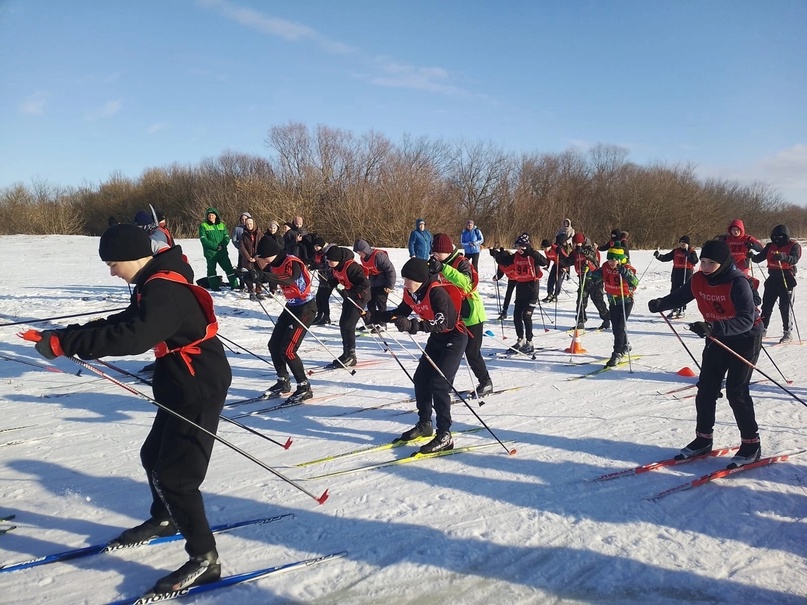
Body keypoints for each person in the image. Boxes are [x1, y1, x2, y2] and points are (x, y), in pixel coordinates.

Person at [27, 223, 231, 594]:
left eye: (113, 263)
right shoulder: (153, 282)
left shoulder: (164, 289)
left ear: (135, 257)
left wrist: (64, 344)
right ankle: (166, 518)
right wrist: (64, 336)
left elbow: (134, 337)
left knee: (177, 478)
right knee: (152, 455)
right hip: (178, 382)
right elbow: (125, 322)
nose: (111, 270)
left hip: (198, 387)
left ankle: (205, 559)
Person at [648, 239, 764, 468]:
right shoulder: (699, 279)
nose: (705, 267)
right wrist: (662, 303)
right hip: (717, 337)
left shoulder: (737, 282)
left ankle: (752, 444)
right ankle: (703, 439)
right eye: (702, 261)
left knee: (736, 392)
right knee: (706, 389)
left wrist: (714, 327)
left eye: (711, 263)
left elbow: (745, 320)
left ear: (723, 263)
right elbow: (681, 296)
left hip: (745, 338)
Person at [375, 258, 469, 454]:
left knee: (439, 384)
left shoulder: (436, 292)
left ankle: (445, 434)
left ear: (418, 279)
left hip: (454, 337)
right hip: (437, 338)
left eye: (408, 279)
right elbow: (400, 312)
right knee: (421, 379)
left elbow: (443, 322)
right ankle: (425, 423)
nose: (404, 283)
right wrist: (374, 316)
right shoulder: (412, 292)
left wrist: (413, 326)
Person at [245, 235, 317, 403]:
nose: (262, 260)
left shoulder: (292, 262)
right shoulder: (274, 264)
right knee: (274, 345)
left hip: (306, 308)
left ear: (271, 253)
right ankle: (283, 381)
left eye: (263, 256)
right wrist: (250, 276)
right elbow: (269, 278)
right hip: (291, 306)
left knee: (288, 350)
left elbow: (289, 279)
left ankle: (304, 386)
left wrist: (262, 276)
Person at [429, 233, 493, 396]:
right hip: (452, 314)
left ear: (446, 250)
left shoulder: (461, 262)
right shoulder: (438, 263)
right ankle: (442, 384)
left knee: (472, 352)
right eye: (433, 252)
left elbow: (467, 283)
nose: (434, 255)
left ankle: (485, 382)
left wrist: (443, 268)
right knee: (448, 351)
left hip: (471, 313)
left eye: (437, 252)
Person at [492, 233, 548, 353]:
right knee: (517, 316)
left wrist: (532, 252)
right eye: (517, 247)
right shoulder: (516, 256)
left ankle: (530, 342)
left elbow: (545, 262)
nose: (518, 250)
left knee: (526, 316)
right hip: (521, 287)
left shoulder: (532, 256)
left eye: (521, 247)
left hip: (532, 289)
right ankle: (520, 339)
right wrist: (497, 255)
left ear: (526, 246)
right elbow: (504, 261)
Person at [588, 245, 638, 366]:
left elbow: (635, 282)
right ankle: (625, 345)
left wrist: (626, 274)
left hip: (625, 301)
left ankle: (617, 353)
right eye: (610, 259)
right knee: (617, 326)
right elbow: (595, 275)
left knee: (619, 327)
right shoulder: (605, 267)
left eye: (614, 259)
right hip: (613, 301)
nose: (611, 262)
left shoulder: (625, 268)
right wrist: (588, 272)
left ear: (620, 259)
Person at [751, 224, 801, 343]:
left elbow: (795, 259)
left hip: (787, 278)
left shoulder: (794, 246)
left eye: (781, 236)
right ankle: (763, 328)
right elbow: (758, 258)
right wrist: (751, 255)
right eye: (775, 236)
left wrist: (783, 257)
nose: (778, 239)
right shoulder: (770, 246)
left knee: (785, 307)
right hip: (772, 278)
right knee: (766, 306)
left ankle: (787, 333)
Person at [325, 246, 370, 367]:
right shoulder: (335, 267)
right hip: (349, 296)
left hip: (360, 296)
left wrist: (350, 292)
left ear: (338, 259)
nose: (328, 263)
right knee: (343, 323)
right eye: (327, 260)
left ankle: (351, 355)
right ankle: (346, 353)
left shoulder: (352, 267)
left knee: (348, 325)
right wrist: (333, 282)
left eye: (330, 261)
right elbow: (337, 279)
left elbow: (365, 283)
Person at [562, 233, 609, 331]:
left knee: (598, 300)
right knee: (580, 301)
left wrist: (582, 251)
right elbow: (568, 261)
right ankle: (580, 321)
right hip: (582, 278)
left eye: (578, 243)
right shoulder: (575, 252)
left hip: (594, 279)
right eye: (575, 244)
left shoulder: (591, 249)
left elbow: (594, 260)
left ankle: (606, 319)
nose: (576, 245)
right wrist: (561, 254)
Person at [353, 239, 396, 331]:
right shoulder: (363, 258)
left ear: (365, 250)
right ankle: (371, 322)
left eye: (360, 252)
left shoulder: (379, 256)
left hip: (384, 281)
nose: (359, 254)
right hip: (373, 281)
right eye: (358, 253)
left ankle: (383, 324)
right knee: (370, 301)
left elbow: (390, 270)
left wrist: (390, 286)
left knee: (380, 302)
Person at [654, 235, 699, 319]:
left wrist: (688, 254)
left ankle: (682, 309)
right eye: (681, 242)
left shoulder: (691, 251)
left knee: (684, 291)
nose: (682, 244)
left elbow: (695, 260)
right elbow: (666, 257)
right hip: (676, 272)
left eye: (684, 243)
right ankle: (674, 309)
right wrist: (659, 256)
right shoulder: (676, 251)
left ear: (688, 244)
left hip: (686, 272)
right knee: (674, 291)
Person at [198, 208, 238, 291]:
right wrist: (215, 246)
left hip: (222, 252)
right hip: (210, 253)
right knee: (211, 270)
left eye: (212, 215)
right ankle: (214, 286)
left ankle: (235, 285)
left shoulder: (221, 225)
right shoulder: (203, 226)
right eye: (209, 215)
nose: (211, 217)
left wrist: (222, 245)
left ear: (216, 216)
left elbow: (226, 237)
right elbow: (204, 240)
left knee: (229, 268)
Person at [238, 216, 265, 300]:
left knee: (259, 275)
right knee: (248, 275)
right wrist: (248, 257)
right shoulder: (243, 235)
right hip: (248, 259)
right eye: (247, 224)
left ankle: (259, 291)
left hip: (258, 258)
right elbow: (242, 247)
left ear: (254, 224)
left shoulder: (260, 234)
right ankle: (251, 291)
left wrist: (256, 257)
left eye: (250, 224)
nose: (249, 225)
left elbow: (263, 246)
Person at [310, 236, 334, 325]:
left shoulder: (327, 253)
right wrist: (311, 265)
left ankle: (327, 317)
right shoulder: (318, 253)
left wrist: (316, 267)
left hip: (329, 278)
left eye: (317, 246)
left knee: (324, 298)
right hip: (322, 279)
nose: (315, 248)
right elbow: (315, 262)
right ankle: (319, 315)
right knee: (319, 297)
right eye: (315, 246)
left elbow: (327, 265)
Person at [490, 245, 517, 320]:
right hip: (511, 279)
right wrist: (497, 277)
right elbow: (500, 273)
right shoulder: (501, 263)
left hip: (520, 280)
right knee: (508, 295)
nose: (503, 266)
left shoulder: (513, 261)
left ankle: (520, 313)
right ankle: (504, 311)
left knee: (519, 297)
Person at [544, 234, 571, 303]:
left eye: (546, 248)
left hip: (562, 265)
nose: (545, 249)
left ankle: (555, 295)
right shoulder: (546, 251)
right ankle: (550, 294)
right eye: (543, 248)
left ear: (550, 246)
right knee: (550, 280)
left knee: (558, 280)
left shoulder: (557, 249)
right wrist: (547, 266)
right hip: (556, 264)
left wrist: (566, 268)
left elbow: (567, 257)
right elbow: (548, 258)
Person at [230, 212, 251, 290]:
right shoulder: (237, 229)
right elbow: (234, 240)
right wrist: (240, 248)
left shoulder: (252, 227)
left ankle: (250, 284)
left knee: (250, 268)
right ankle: (242, 283)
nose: (244, 220)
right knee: (241, 268)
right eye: (242, 219)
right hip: (242, 252)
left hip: (251, 252)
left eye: (245, 219)